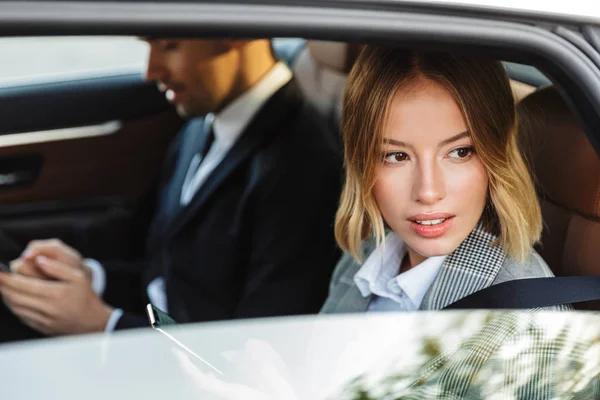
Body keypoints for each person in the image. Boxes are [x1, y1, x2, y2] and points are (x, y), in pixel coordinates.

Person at [0, 38, 342, 342]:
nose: (151, 71)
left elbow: (256, 350)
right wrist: (90, 275)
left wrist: (105, 326)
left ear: (237, 36)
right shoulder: (199, 125)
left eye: (168, 46)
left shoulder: (303, 169)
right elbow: (165, 270)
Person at [320, 45, 567, 314]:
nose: (428, 191)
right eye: (396, 156)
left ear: (496, 159)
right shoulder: (365, 255)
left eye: (460, 152)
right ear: (361, 164)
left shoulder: (525, 313)